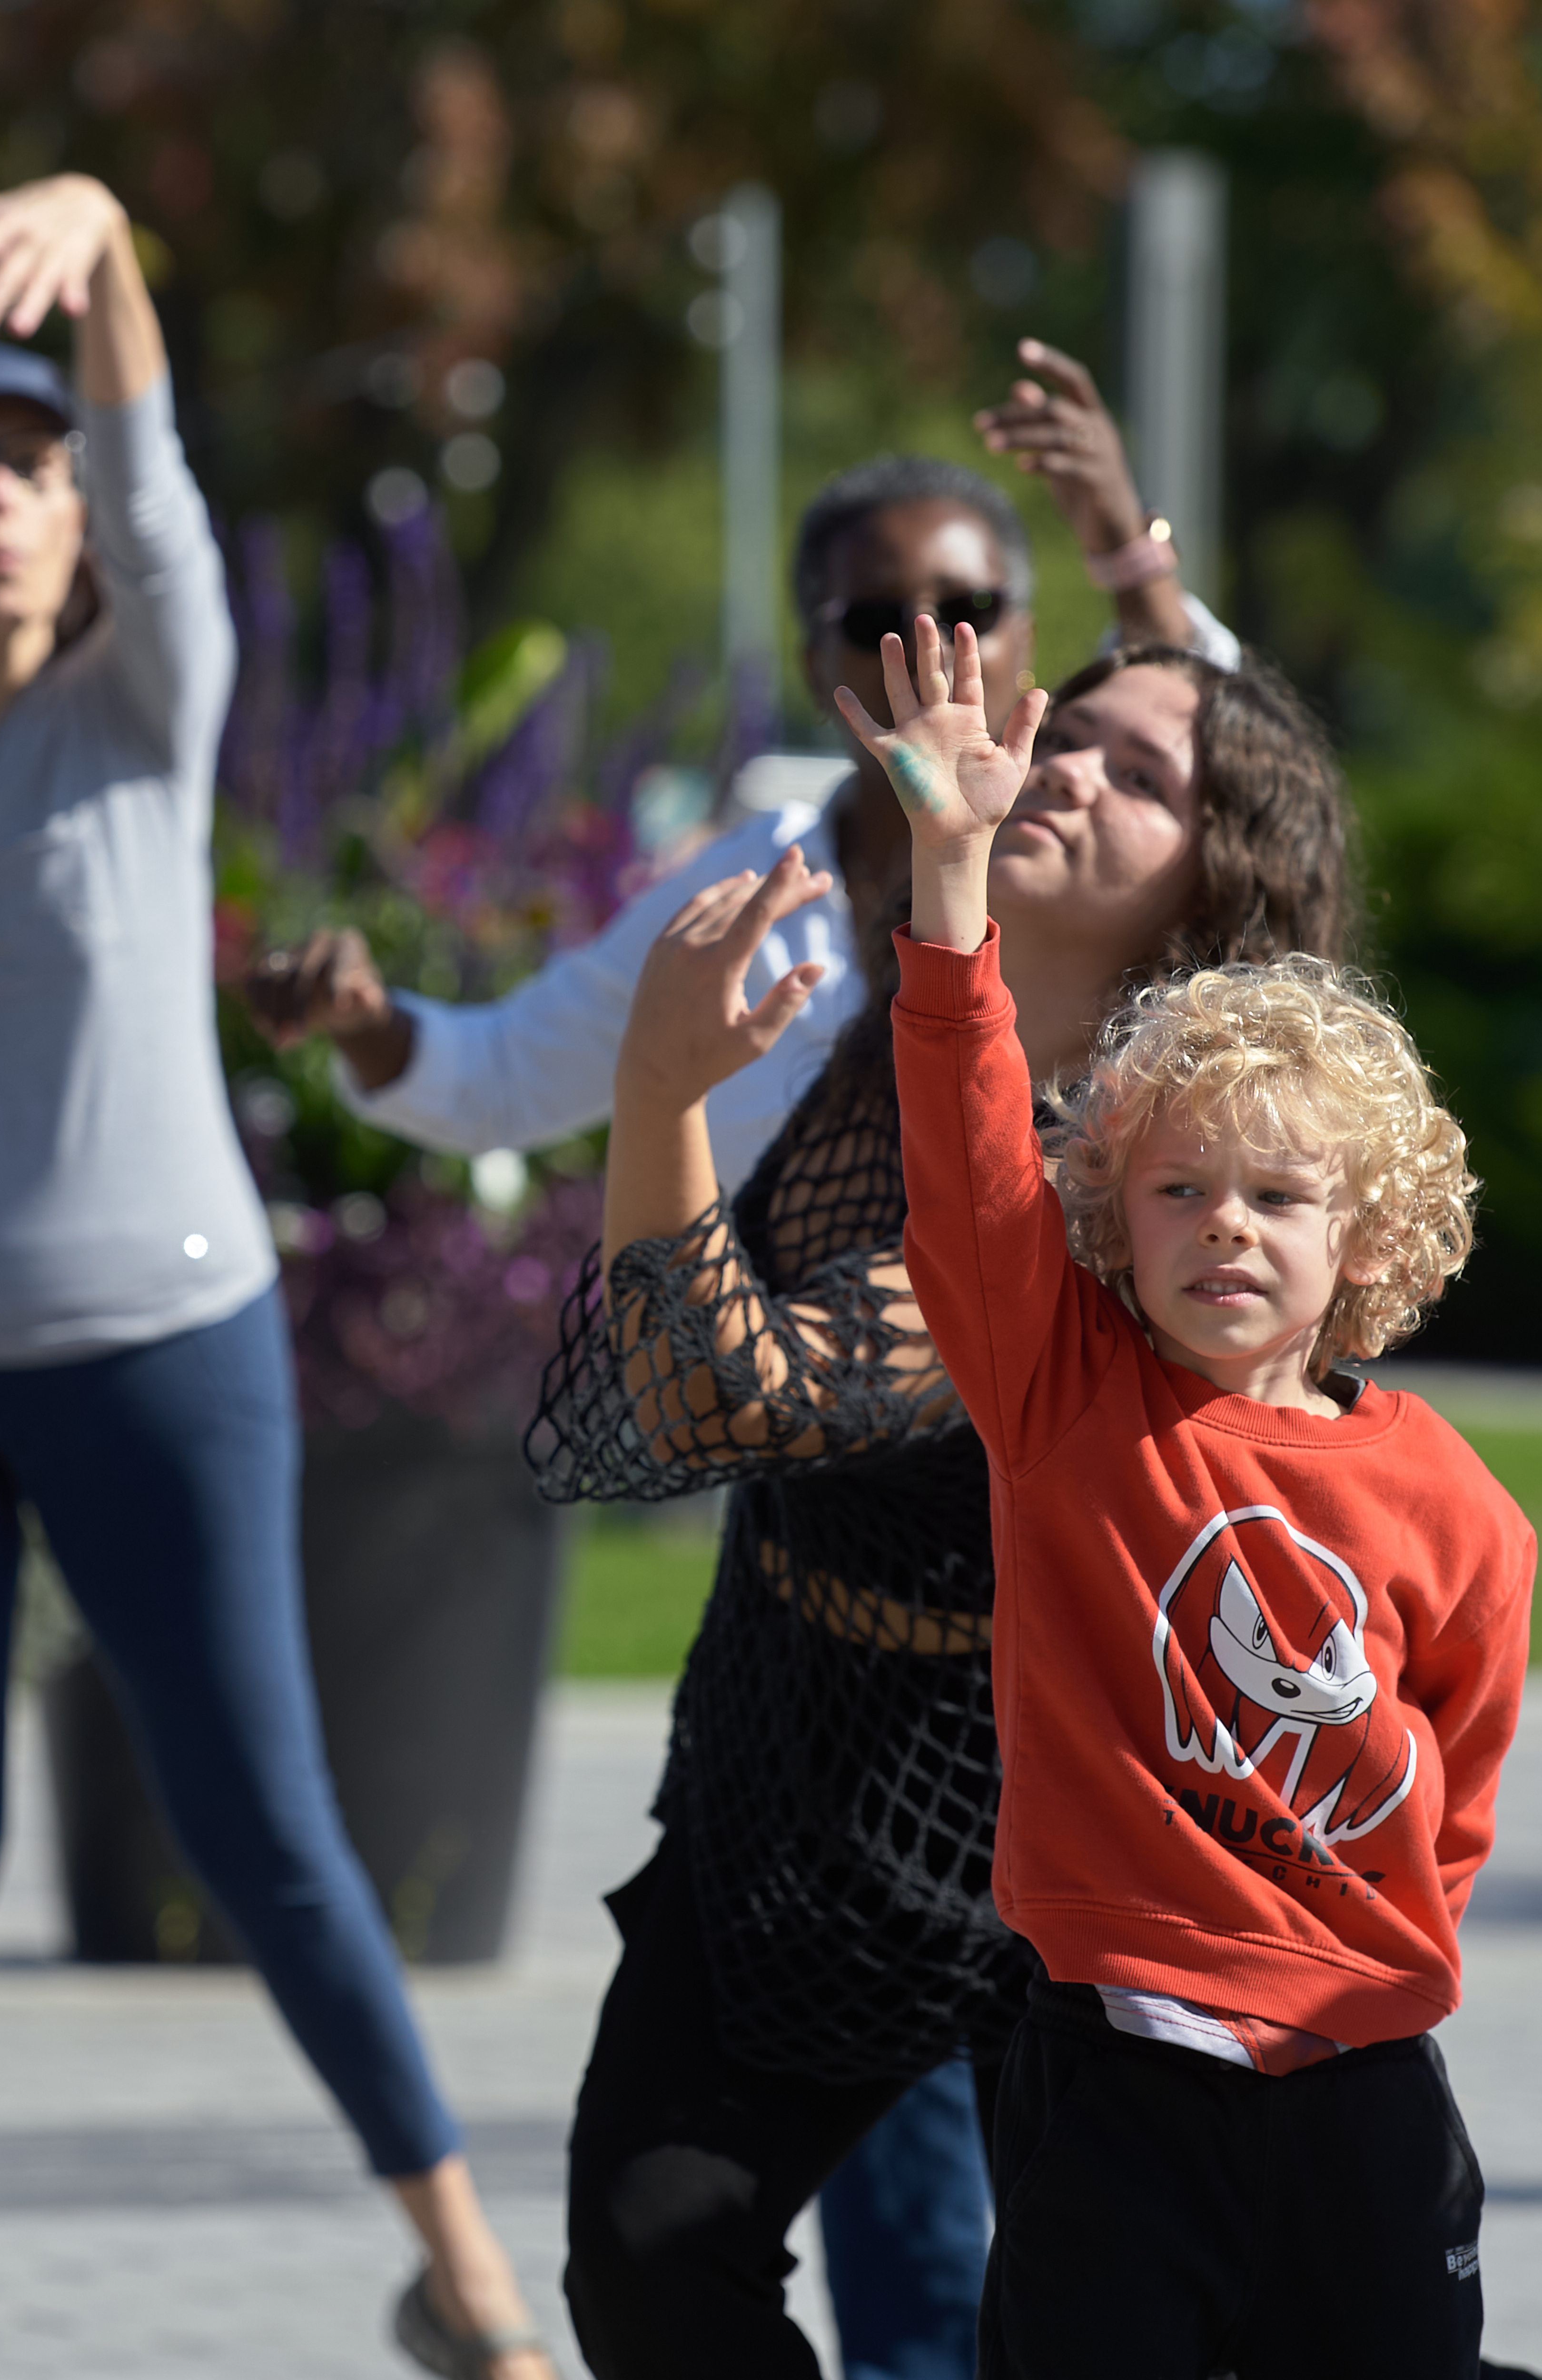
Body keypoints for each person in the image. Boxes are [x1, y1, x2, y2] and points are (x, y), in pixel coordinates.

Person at [0, 174, 551, 2380]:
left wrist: (116, 245)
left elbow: (157, 484)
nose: (0, 498)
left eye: (29, 464)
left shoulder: (148, 693)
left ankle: (467, 2280)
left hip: (157, 1343)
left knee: (265, 1831)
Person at [256, 364, 1239, 2375]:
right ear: (813, 656)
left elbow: (1228, 765)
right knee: (731, 2247)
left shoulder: (1143, 926)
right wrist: (374, 1033)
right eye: (879, 618)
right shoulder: (765, 893)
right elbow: (511, 1076)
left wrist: (1138, 558)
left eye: (974, 608)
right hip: (820, 1670)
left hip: (1077, 1695)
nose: (930, 650)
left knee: (1090, 2276)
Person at [525, 633, 1354, 2378]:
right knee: (652, 2259)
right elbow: (692, 1397)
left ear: (1216, 883)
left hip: (1084, 1799)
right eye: (1075, 737)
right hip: (800, 1753)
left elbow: (737, 1395)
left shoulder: (1144, 1179)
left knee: (1125, 2338)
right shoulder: (899, 1034)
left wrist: (660, 1093)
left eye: (1144, 776)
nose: (1075, 772)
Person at [862, 612, 1533, 2377]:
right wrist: (952, 874)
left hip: (1364, 2090)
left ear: (1365, 1237)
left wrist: (1363, 1938)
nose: (1226, 1226)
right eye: (1179, 1190)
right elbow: (968, 1157)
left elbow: (1455, 1786)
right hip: (1117, 2085)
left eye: (1278, 1197)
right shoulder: (1059, 1395)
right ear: (1114, 1216)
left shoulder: (1461, 1507)